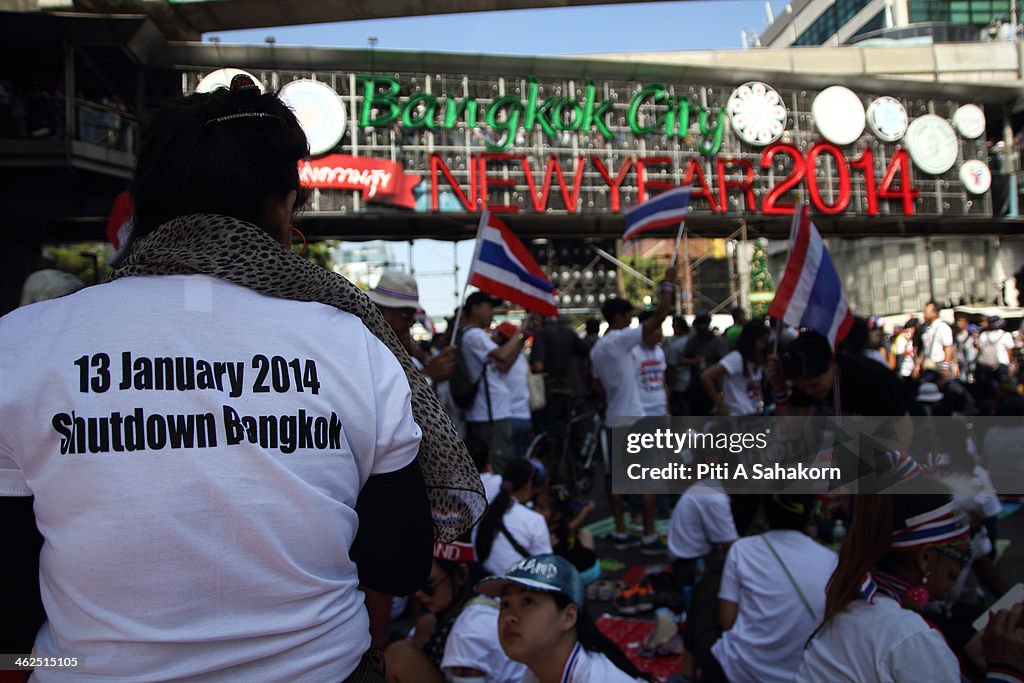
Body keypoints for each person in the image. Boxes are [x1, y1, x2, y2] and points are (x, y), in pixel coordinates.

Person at [0, 80, 485, 681]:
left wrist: (33, 663)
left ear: (140, 205)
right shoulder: (350, 341)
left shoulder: (21, 343)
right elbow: (398, 562)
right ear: (283, 207)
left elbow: (13, 582)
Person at [795, 477, 1024, 682]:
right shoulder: (910, 636)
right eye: (962, 554)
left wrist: (967, 663)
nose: (963, 567)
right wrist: (1006, 670)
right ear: (926, 558)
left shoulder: (849, 609)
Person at [691, 495, 837, 683]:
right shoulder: (831, 560)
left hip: (741, 672)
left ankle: (688, 674)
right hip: (805, 674)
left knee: (706, 589)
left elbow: (726, 621)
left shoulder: (741, 549)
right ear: (809, 512)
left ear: (764, 511)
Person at [590, 265, 675, 555]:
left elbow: (597, 385)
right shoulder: (619, 339)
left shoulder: (598, 348)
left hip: (615, 416)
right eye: (627, 316)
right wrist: (668, 286)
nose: (630, 322)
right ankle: (650, 536)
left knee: (619, 481)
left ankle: (622, 531)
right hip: (636, 418)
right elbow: (659, 317)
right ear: (619, 318)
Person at [477, 554, 652, 682]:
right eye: (505, 604)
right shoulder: (537, 670)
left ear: (568, 617)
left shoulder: (597, 678)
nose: (509, 618)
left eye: (528, 602)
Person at [383, 541, 526, 683]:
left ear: (462, 574)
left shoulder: (467, 633)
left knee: (398, 656)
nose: (419, 594)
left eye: (428, 584)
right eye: (415, 584)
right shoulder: (480, 601)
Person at [460, 291, 530, 475]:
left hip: (493, 412)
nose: (493, 312)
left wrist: (522, 339)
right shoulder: (474, 334)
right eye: (489, 307)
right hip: (488, 414)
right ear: (475, 309)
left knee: (501, 463)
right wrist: (520, 331)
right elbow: (502, 355)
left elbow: (504, 365)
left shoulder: (476, 335)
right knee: (498, 467)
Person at [367, 271, 455, 384]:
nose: (412, 323)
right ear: (382, 311)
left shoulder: (401, 349)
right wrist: (429, 374)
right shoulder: (368, 347)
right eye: (407, 315)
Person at [475, 457, 553, 576]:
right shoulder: (535, 520)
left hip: (482, 582)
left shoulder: (483, 509)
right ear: (528, 485)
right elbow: (545, 569)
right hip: (514, 588)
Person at [700, 318, 769, 416]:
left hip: (753, 413)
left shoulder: (756, 361)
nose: (763, 346)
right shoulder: (736, 358)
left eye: (765, 342)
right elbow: (706, 376)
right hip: (737, 414)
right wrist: (720, 405)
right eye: (761, 341)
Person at [493, 321, 533, 459]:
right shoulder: (521, 357)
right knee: (521, 460)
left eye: (498, 334)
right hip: (524, 416)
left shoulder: (503, 359)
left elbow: (504, 366)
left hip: (509, 418)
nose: (494, 338)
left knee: (509, 464)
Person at [633, 309, 669, 417]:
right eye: (656, 328)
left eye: (660, 327)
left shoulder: (659, 351)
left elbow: (663, 382)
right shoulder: (633, 352)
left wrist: (667, 409)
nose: (660, 332)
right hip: (640, 412)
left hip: (659, 409)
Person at [914, 301, 955, 379]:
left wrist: (945, 366)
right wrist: (918, 365)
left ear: (934, 313)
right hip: (928, 364)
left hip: (939, 364)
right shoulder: (927, 328)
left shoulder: (943, 327)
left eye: (926, 311)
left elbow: (948, 347)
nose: (924, 313)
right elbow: (925, 348)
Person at [665, 315, 693, 416]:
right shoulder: (693, 340)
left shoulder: (676, 346)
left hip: (680, 384)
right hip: (690, 382)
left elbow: (672, 367)